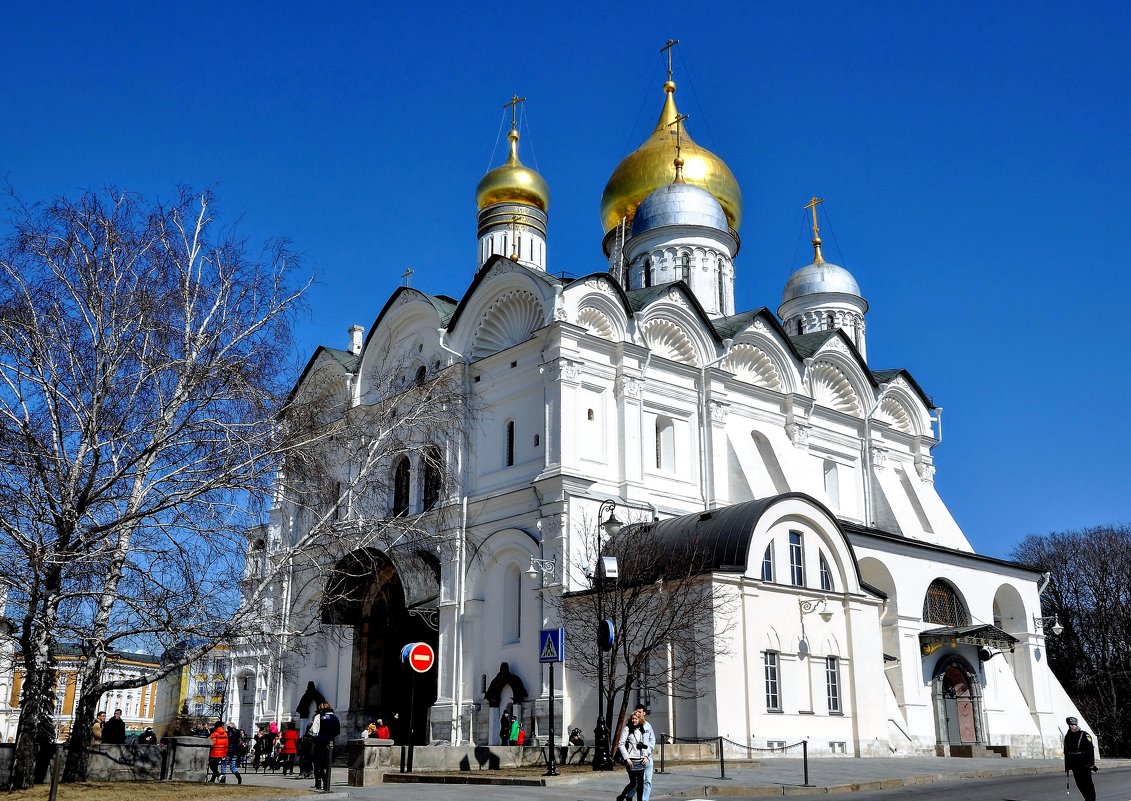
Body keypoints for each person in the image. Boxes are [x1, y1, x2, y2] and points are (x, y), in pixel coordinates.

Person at [616, 705, 656, 801]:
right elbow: (621, 744)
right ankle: (622, 797)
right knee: (634, 782)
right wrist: (627, 758)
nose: (634, 720)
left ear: (640, 719)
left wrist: (646, 755)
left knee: (642, 783)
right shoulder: (627, 728)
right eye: (633, 718)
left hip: (641, 760)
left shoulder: (643, 728)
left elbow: (645, 744)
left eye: (636, 718)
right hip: (631, 760)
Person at [1064, 716, 1098, 801]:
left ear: (1076, 725)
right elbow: (1066, 752)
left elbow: (1090, 750)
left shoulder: (1084, 735)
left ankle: (1091, 799)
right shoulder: (1067, 736)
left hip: (1084, 764)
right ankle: (1087, 799)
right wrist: (1067, 766)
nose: (1072, 726)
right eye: (1070, 725)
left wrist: (1091, 764)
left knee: (1088, 784)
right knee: (1080, 784)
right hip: (1075, 764)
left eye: (1073, 724)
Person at [309, 701, 340, 791]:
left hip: (319, 742)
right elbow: (337, 731)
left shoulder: (318, 717)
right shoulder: (334, 718)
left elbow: (313, 731)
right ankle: (326, 782)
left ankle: (318, 782)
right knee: (327, 763)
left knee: (318, 764)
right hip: (330, 742)